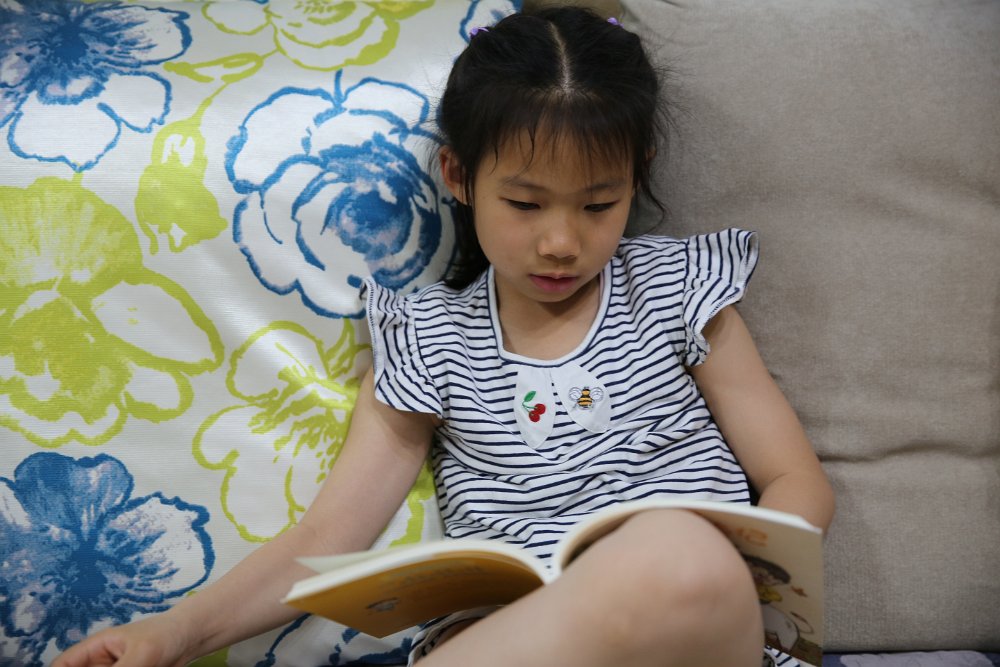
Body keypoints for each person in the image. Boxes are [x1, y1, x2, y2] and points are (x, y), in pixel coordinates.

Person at [55, 7, 834, 667]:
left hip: (699, 628)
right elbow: (328, 536)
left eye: (599, 205)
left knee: (680, 554)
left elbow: (795, 478)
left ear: (638, 175)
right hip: (517, 641)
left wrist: (743, 568)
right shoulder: (429, 337)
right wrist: (174, 633)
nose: (561, 243)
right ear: (459, 176)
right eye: (525, 204)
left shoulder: (679, 291)